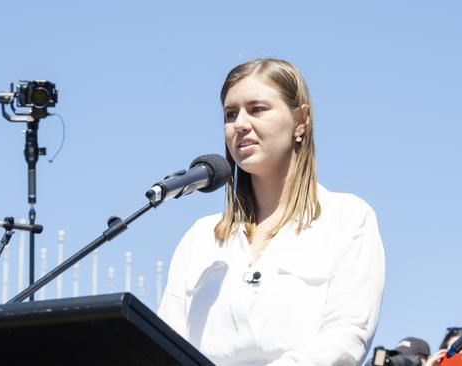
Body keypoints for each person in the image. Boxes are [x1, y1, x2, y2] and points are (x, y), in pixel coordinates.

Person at [158, 59, 386, 365]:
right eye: (230, 114)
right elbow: (165, 346)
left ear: (301, 120)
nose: (239, 124)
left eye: (257, 109)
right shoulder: (200, 238)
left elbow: (346, 336)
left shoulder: (347, 218)